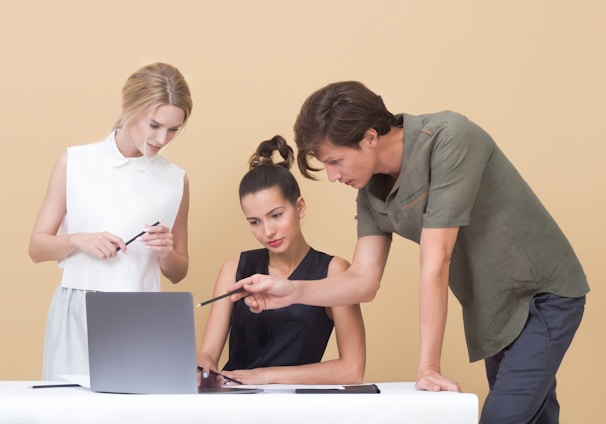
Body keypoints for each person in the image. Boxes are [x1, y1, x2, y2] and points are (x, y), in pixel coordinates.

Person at [231, 82, 589, 423]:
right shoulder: (370, 189)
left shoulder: (451, 138)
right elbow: (363, 280)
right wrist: (291, 292)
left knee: (504, 418)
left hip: (541, 295)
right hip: (492, 310)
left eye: (336, 161)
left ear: (370, 138)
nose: (331, 175)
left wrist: (427, 368)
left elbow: (437, 260)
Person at [28, 62, 193, 380]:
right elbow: (36, 248)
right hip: (78, 309)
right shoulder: (75, 162)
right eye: (155, 125)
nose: (162, 138)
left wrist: (165, 252)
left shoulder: (176, 181)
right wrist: (78, 239)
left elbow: (178, 271)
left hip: (143, 315)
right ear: (131, 109)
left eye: (174, 129)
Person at [197, 135, 365, 386]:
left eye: (276, 215)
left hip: (295, 407)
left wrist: (266, 376)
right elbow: (208, 354)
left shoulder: (334, 271)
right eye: (254, 222)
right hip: (234, 403)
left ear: (300, 207)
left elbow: (352, 370)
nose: (268, 232)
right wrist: (202, 368)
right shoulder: (234, 269)